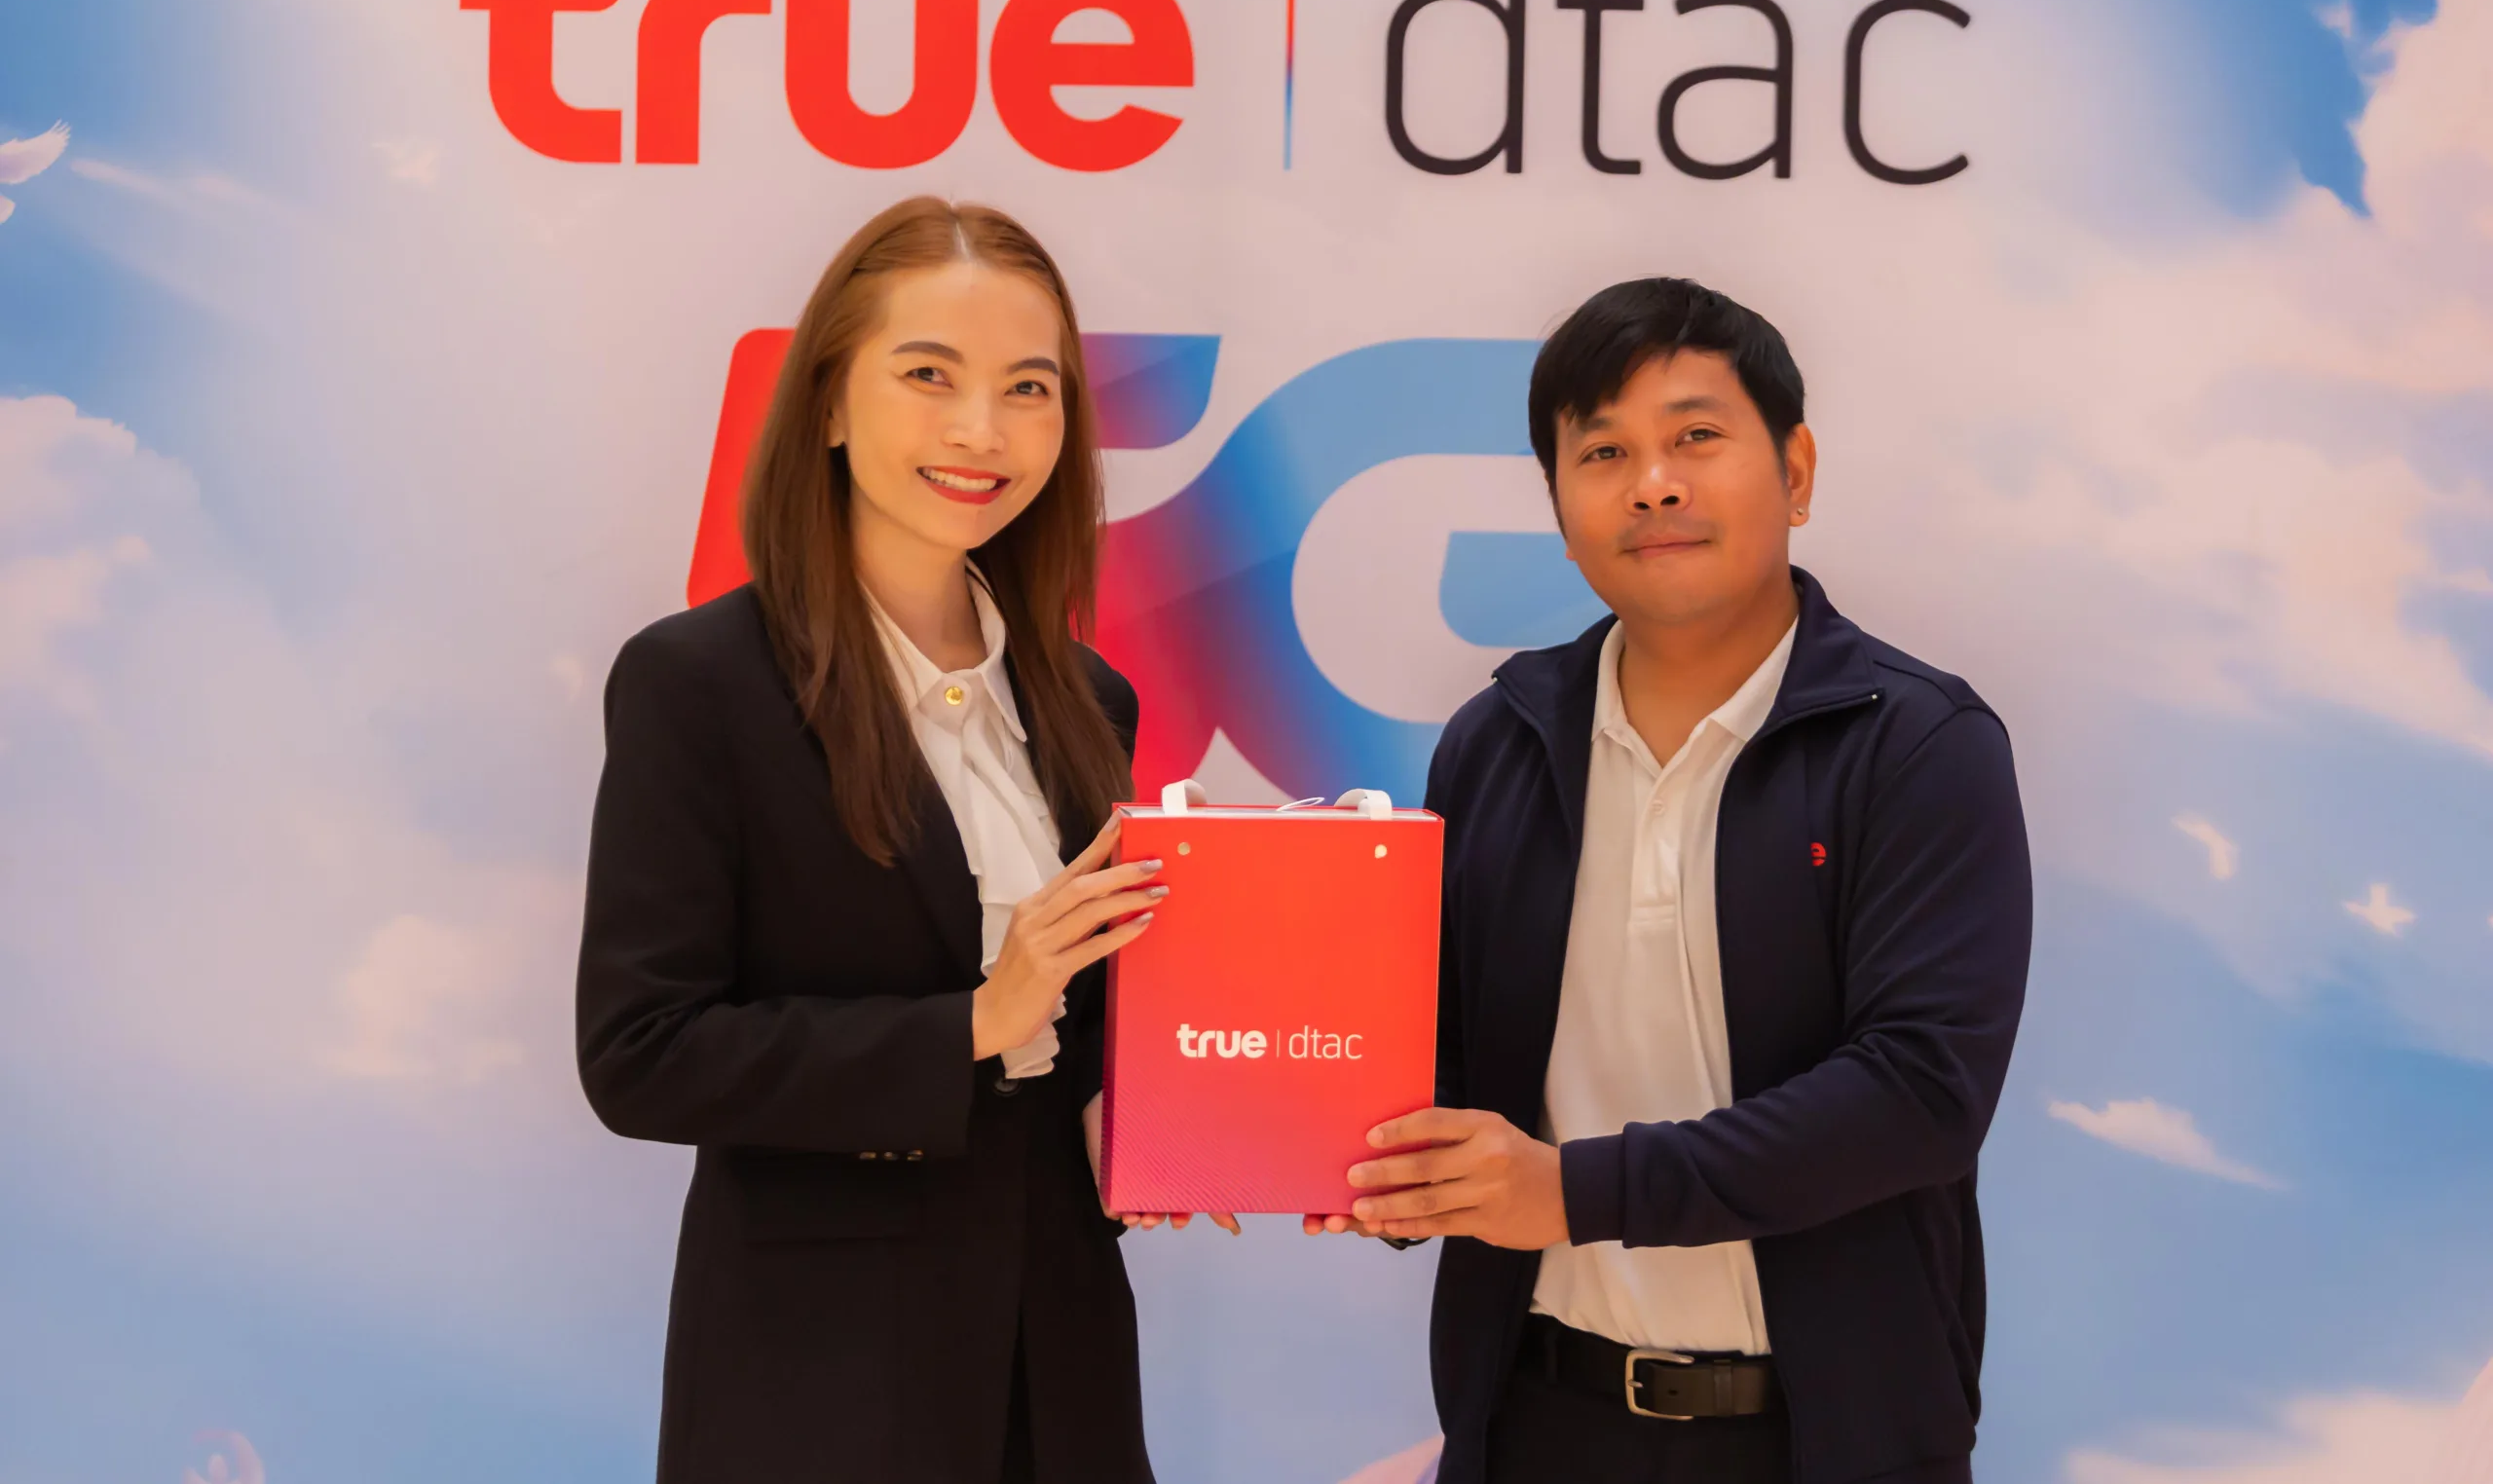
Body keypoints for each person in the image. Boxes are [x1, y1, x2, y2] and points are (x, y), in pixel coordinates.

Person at [1313, 278, 2032, 1484]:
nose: (1651, 484)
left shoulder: (1915, 745)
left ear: (1795, 471)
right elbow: (1442, 1060)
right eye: (1603, 453)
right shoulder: (1498, 742)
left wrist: (1572, 1191)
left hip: (1826, 1442)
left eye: (1695, 436)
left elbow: (1919, 1091)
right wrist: (1331, 1150)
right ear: (1559, 507)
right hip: (1535, 1423)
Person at [577, 197, 1223, 1484]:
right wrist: (974, 1021)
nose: (983, 429)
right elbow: (641, 1056)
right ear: (828, 400)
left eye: (1028, 388)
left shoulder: (1090, 701)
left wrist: (1165, 1121)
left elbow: (1082, 1039)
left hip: (1064, 1369)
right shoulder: (698, 683)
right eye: (930, 375)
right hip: (817, 1381)